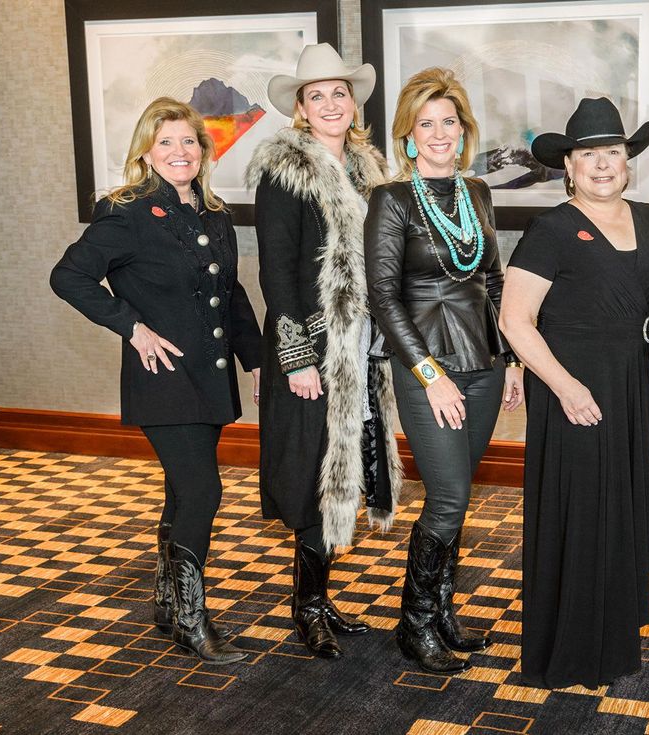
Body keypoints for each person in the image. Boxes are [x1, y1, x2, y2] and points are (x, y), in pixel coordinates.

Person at [51, 97, 263, 664]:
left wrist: (258, 359)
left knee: (181, 491)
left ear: (204, 149)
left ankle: (169, 606)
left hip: (210, 380)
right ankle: (194, 621)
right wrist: (132, 328)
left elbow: (232, 293)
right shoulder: (127, 211)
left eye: (188, 141)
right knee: (203, 490)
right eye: (166, 141)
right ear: (147, 149)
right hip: (164, 379)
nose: (179, 151)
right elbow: (68, 276)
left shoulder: (215, 213)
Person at [498, 97, 649, 689]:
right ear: (568, 165)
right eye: (588, 154)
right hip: (571, 389)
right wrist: (565, 386)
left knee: (618, 510)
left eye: (613, 152)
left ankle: (614, 637)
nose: (602, 164)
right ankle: (570, 649)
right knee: (580, 514)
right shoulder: (551, 229)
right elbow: (515, 320)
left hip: (630, 385)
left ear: (628, 160)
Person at [365, 67, 524, 675]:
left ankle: (441, 612)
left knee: (458, 496)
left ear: (463, 131)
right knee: (449, 496)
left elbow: (492, 281)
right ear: (408, 136)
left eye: (448, 123)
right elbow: (383, 295)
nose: (439, 134)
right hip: (426, 368)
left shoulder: (477, 192)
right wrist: (429, 373)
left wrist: (509, 361)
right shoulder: (392, 199)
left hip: (483, 362)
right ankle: (415, 625)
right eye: (426, 124)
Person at [245, 43, 402, 659]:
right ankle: (305, 606)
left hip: (363, 342)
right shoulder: (287, 173)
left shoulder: (370, 170)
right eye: (317, 96)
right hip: (314, 346)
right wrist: (296, 357)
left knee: (346, 463)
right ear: (301, 110)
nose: (331, 103)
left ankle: (321, 596)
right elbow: (276, 273)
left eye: (340, 92)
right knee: (315, 467)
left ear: (353, 102)